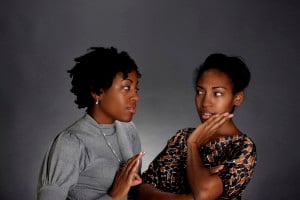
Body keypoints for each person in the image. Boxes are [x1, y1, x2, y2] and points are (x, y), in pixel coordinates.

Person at [137, 53, 257, 200]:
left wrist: (193, 145)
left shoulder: (242, 147)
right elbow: (141, 189)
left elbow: (202, 194)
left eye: (217, 93)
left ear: (237, 98)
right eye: (200, 92)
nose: (205, 102)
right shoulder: (182, 137)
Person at [37, 46, 145, 200]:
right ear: (97, 92)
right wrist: (113, 196)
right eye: (126, 87)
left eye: (136, 89)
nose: (135, 97)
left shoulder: (129, 131)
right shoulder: (71, 143)